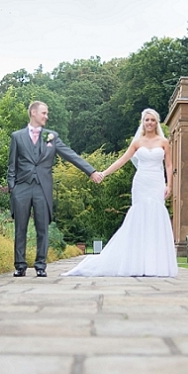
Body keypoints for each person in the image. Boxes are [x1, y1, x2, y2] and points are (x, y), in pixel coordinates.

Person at [62, 108, 178, 277]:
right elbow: (122, 160)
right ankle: (136, 262)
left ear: (157, 122)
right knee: (139, 218)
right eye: (147, 120)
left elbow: (168, 164)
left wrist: (169, 184)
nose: (150, 123)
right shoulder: (137, 143)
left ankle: (155, 264)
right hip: (141, 182)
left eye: (153, 120)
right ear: (143, 122)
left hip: (157, 182)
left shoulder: (164, 142)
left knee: (156, 217)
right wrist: (103, 173)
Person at [8, 101, 103, 277]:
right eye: (44, 113)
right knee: (20, 228)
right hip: (21, 187)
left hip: (42, 188)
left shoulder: (51, 136)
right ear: (33, 113)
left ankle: (40, 266)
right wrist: (12, 188)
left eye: (47, 113)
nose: (47, 116)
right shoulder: (17, 136)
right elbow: (11, 166)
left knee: (42, 228)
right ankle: (20, 265)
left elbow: (70, 154)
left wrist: (91, 171)